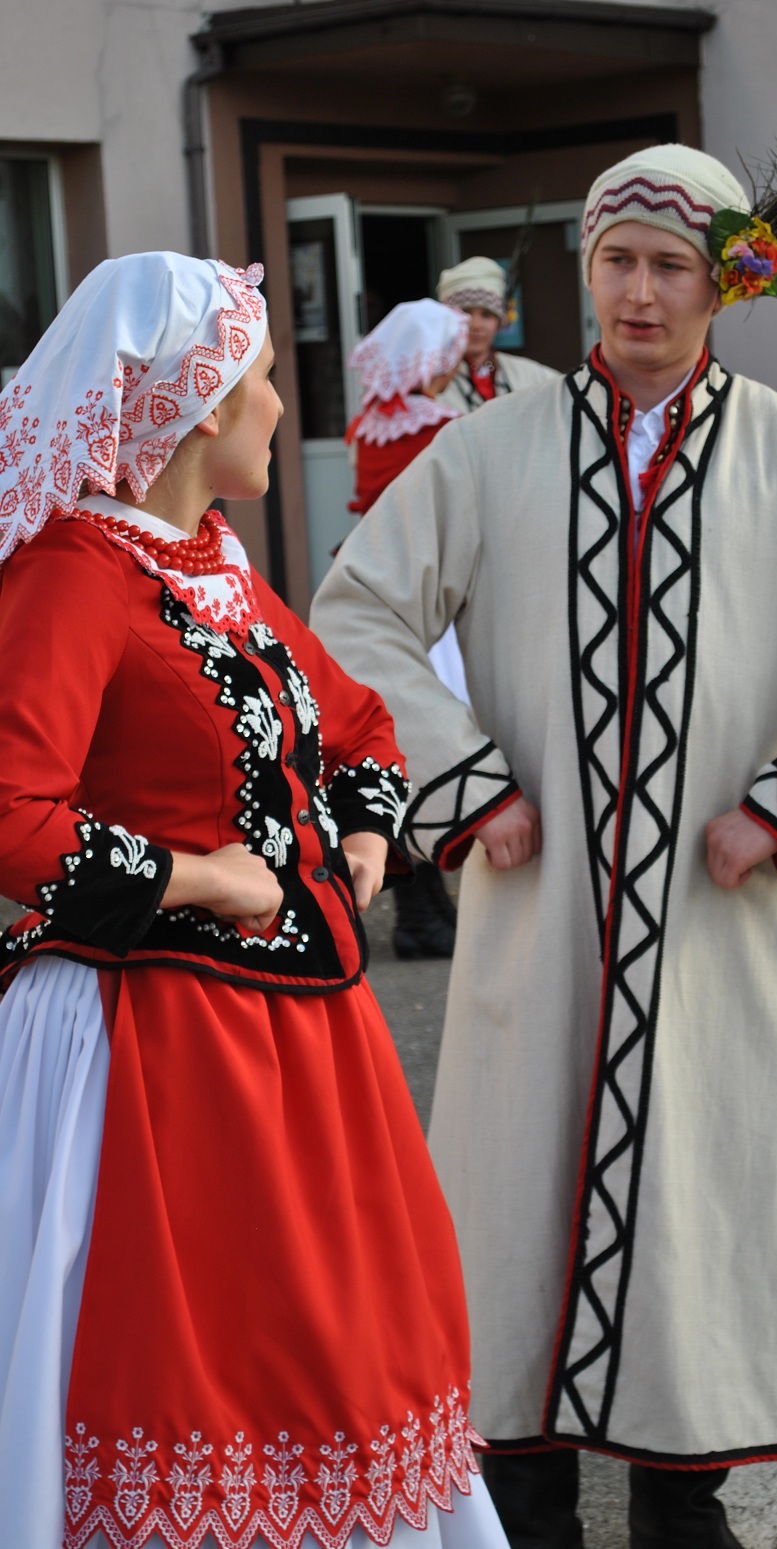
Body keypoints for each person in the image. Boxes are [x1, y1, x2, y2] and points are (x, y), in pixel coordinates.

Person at [310, 131, 777, 1548]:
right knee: (516, 1213)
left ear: (720, 283)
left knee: (707, 1207)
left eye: (668, 265)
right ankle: (526, 1502)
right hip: (536, 917)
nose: (635, 293)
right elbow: (355, 615)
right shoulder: (488, 449)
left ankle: (686, 1503)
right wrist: (465, 785)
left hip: (720, 927)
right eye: (614, 260)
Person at [0, 251, 509, 1549]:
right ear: (204, 404)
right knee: (200, 1355)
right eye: (268, 379)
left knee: (334, 1342)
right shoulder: (76, 574)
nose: (285, 406)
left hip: (298, 1030)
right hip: (151, 1042)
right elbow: (8, 809)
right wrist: (197, 876)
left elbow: (356, 717)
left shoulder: (212, 560)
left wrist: (365, 824)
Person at [346, 297, 471, 959]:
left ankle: (423, 906)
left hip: (378, 595)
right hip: (431, 602)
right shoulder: (441, 427)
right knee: (429, 744)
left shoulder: (370, 426)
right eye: (450, 355)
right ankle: (422, 914)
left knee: (396, 746)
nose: (455, 366)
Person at [435, 257, 558, 413]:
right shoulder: (433, 379)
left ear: (499, 322)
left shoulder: (529, 374)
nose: (476, 325)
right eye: (466, 313)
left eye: (486, 315)